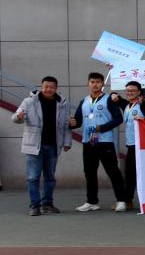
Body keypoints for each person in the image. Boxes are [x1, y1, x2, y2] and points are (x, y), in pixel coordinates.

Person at [12, 76, 72, 216]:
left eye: (51, 87)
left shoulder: (62, 103)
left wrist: (67, 142)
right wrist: (19, 117)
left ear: (56, 88)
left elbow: (66, 125)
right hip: (34, 145)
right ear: (41, 86)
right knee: (33, 177)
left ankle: (47, 204)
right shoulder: (29, 101)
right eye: (45, 86)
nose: (48, 89)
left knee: (50, 177)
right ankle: (35, 206)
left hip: (53, 145)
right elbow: (15, 118)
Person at [70, 72, 128, 212]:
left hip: (105, 141)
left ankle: (121, 200)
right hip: (88, 141)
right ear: (88, 84)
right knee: (89, 172)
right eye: (92, 82)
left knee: (113, 171)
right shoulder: (84, 101)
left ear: (102, 84)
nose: (95, 84)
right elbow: (78, 121)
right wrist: (72, 123)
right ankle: (92, 202)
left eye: (98, 82)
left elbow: (118, 119)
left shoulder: (109, 100)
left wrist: (101, 128)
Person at [116, 81, 145, 208]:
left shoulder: (143, 105)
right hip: (131, 144)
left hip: (142, 145)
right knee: (129, 173)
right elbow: (117, 99)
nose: (130, 92)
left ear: (139, 92)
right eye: (127, 90)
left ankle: (137, 199)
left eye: (133, 90)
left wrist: (144, 119)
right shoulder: (127, 106)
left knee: (136, 173)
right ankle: (128, 200)